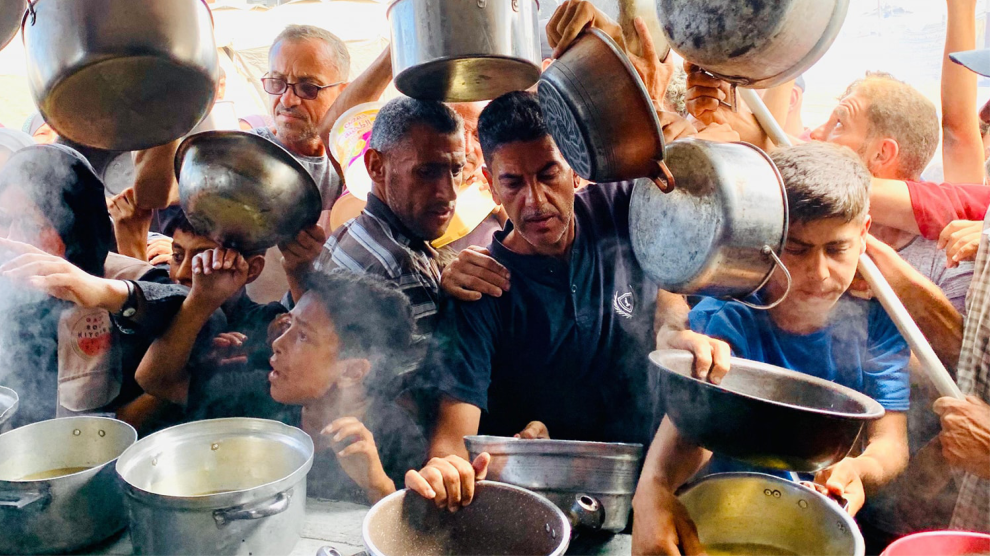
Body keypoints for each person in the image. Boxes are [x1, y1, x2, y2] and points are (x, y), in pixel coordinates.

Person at [418, 90, 727, 465]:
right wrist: (455, 468)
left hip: (655, 473)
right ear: (491, 184)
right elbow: (451, 444)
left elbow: (665, 286)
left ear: (576, 167)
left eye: (548, 174)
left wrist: (675, 332)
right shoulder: (482, 289)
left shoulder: (624, 209)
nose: (535, 201)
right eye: (513, 182)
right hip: (547, 487)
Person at [631, 142, 911, 555]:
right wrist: (654, 485)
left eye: (836, 249)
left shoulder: (878, 322)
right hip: (721, 510)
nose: (818, 272)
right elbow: (694, 427)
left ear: (864, 232)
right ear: (771, 238)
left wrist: (860, 468)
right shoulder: (732, 315)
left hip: (819, 523)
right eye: (797, 249)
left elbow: (891, 442)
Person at [0, 144, 170, 430]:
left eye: (33, 225)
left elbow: (199, 319)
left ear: (74, 225)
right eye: (4, 220)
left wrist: (103, 293)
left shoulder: (126, 277)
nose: (14, 238)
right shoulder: (6, 285)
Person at [300, 97, 467, 346]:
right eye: (426, 172)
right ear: (376, 166)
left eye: (456, 170)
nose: (449, 193)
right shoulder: (402, 269)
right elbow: (430, 370)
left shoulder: (345, 232)